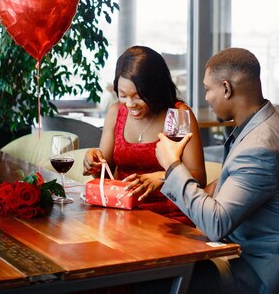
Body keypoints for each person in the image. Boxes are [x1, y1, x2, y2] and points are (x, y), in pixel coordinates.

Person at [154, 47, 279, 294]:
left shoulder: (260, 147)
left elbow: (216, 225)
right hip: (250, 249)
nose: (206, 97)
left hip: (259, 269)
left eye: (208, 89)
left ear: (227, 88)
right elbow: (237, 180)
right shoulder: (277, 116)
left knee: (154, 279)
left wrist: (172, 165)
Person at [82, 45, 206, 223]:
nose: (130, 104)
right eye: (123, 95)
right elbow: (105, 174)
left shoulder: (176, 115)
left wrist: (165, 176)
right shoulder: (116, 112)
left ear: (156, 89)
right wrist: (93, 162)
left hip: (170, 218)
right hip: (123, 213)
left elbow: (199, 177)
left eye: (139, 96)